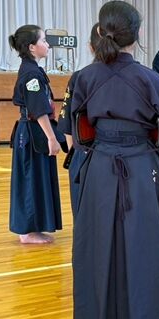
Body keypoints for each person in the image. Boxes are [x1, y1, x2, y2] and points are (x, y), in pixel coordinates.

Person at [71, 1, 159, 319]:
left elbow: (79, 132)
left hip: (100, 165)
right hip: (140, 165)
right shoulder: (151, 79)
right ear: (139, 33)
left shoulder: (84, 77)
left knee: (100, 241)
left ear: (101, 32)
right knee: (142, 243)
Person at [8, 25, 63, 244]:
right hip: (33, 132)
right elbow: (38, 109)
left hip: (34, 130)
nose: (47, 44)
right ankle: (27, 231)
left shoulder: (33, 69)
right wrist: (52, 138)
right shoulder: (31, 73)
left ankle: (33, 227)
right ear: (32, 47)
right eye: (43, 40)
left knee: (37, 178)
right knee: (31, 179)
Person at [57, 23, 100, 217]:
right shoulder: (80, 77)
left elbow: (67, 123)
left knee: (85, 216)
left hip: (86, 153)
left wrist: (76, 155)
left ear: (91, 46)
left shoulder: (80, 77)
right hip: (113, 155)